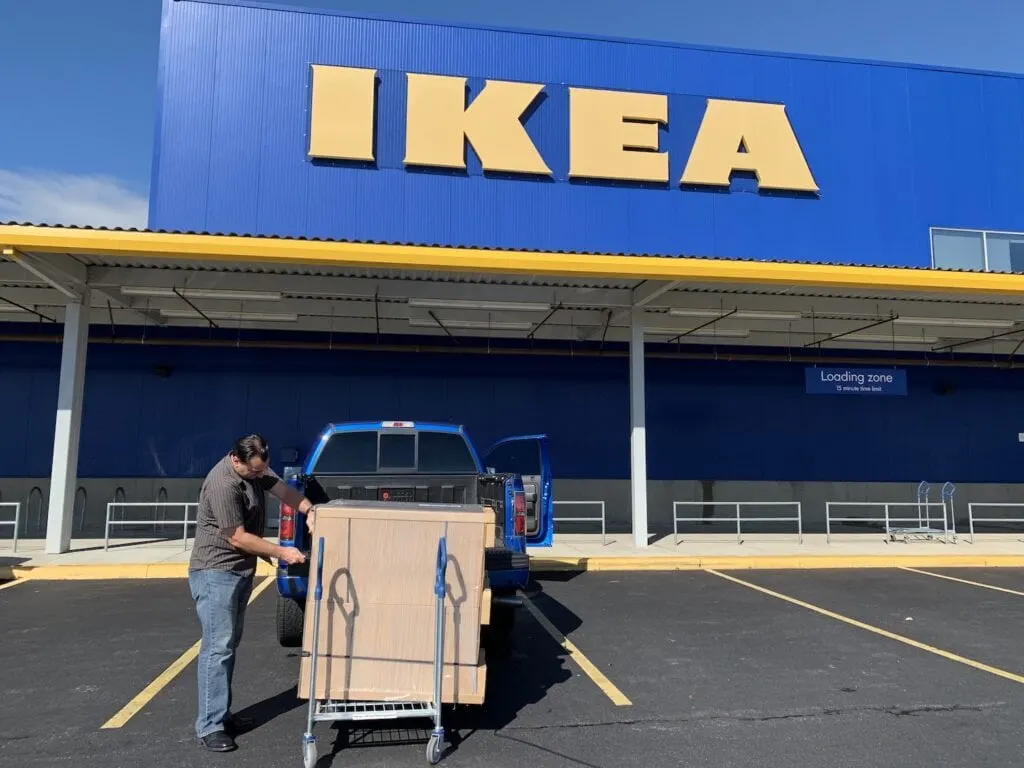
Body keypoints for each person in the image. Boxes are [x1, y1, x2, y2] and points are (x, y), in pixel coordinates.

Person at [188, 434, 315, 753]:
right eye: (255, 472)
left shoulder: (257, 468)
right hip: (216, 571)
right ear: (236, 459)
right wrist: (283, 552)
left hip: (240, 571)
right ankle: (209, 725)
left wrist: (309, 510)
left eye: (263, 471)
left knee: (228, 644)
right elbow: (238, 538)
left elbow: (285, 491)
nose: (261, 477)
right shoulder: (223, 483)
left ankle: (221, 715)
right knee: (218, 647)